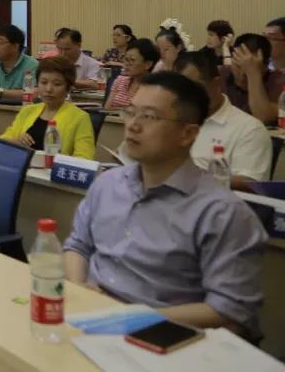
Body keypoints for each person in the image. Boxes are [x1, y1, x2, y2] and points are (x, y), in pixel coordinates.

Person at [63, 72, 266, 337]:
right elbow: (78, 245)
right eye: (130, 112)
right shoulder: (107, 183)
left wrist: (130, 319)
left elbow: (230, 311)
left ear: (188, 134)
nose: (133, 125)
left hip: (163, 336)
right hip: (90, 319)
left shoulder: (222, 212)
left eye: (149, 116)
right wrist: (78, 287)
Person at [176, 50, 271, 186]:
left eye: (194, 88)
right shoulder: (171, 121)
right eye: (179, 89)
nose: (186, 96)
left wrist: (190, 180)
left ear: (216, 83)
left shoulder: (249, 129)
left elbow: (250, 183)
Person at [0, 57, 95, 158]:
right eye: (44, 83)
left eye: (57, 84)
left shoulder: (80, 118)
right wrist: (17, 141)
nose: (48, 89)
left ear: (68, 88)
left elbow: (85, 158)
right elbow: (2, 141)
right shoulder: (28, 110)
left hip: (54, 167)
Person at [223, 33, 285, 124]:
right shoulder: (219, 75)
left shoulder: (279, 81)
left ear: (266, 66)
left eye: (252, 66)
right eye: (239, 65)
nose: (243, 73)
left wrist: (253, 74)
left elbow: (264, 117)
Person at [104, 38, 160, 110]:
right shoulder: (120, 80)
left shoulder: (154, 88)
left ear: (148, 64)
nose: (126, 64)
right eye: (126, 59)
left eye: (132, 60)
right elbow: (107, 108)